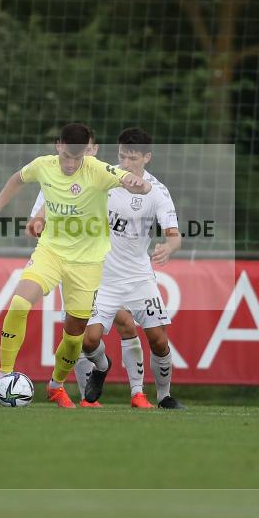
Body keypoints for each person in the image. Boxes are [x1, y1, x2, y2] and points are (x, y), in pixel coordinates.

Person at [0, 122, 150, 408]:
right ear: (58, 146)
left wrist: (139, 184)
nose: (70, 164)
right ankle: (3, 379)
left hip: (87, 263)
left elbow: (133, 182)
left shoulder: (97, 170)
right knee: (18, 304)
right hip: (50, 253)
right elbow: (17, 179)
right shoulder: (43, 165)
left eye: (76, 158)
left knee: (74, 337)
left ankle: (56, 385)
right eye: (66, 156)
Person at [25, 133, 145, 408]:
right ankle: (90, 391)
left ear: (95, 149)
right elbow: (39, 216)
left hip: (111, 269)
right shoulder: (56, 177)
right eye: (76, 150)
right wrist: (39, 224)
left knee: (126, 324)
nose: (82, 154)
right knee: (81, 335)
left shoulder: (108, 176)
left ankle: (138, 393)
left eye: (87, 149)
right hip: (76, 266)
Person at [79, 128, 184, 409]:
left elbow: (175, 236)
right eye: (122, 156)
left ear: (147, 157)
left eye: (133, 158)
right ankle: (102, 367)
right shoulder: (104, 178)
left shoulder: (157, 191)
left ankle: (164, 396)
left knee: (158, 340)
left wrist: (168, 248)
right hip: (103, 277)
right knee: (89, 341)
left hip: (138, 277)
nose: (125, 163)